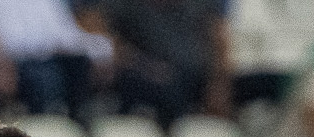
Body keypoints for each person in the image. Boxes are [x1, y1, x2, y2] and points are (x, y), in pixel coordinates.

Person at [99, 0, 231, 127]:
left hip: (197, 74)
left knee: (248, 87)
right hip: (149, 73)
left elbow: (218, 41)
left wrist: (218, 84)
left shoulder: (200, 6)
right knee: (167, 87)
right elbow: (109, 44)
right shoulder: (126, 7)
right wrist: (146, 66)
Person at [0, 0, 108, 123]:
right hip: (16, 61)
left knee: (81, 63)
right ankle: (45, 127)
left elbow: (67, 34)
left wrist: (100, 50)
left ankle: (81, 124)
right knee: (44, 78)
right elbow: (9, 41)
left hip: (51, 57)